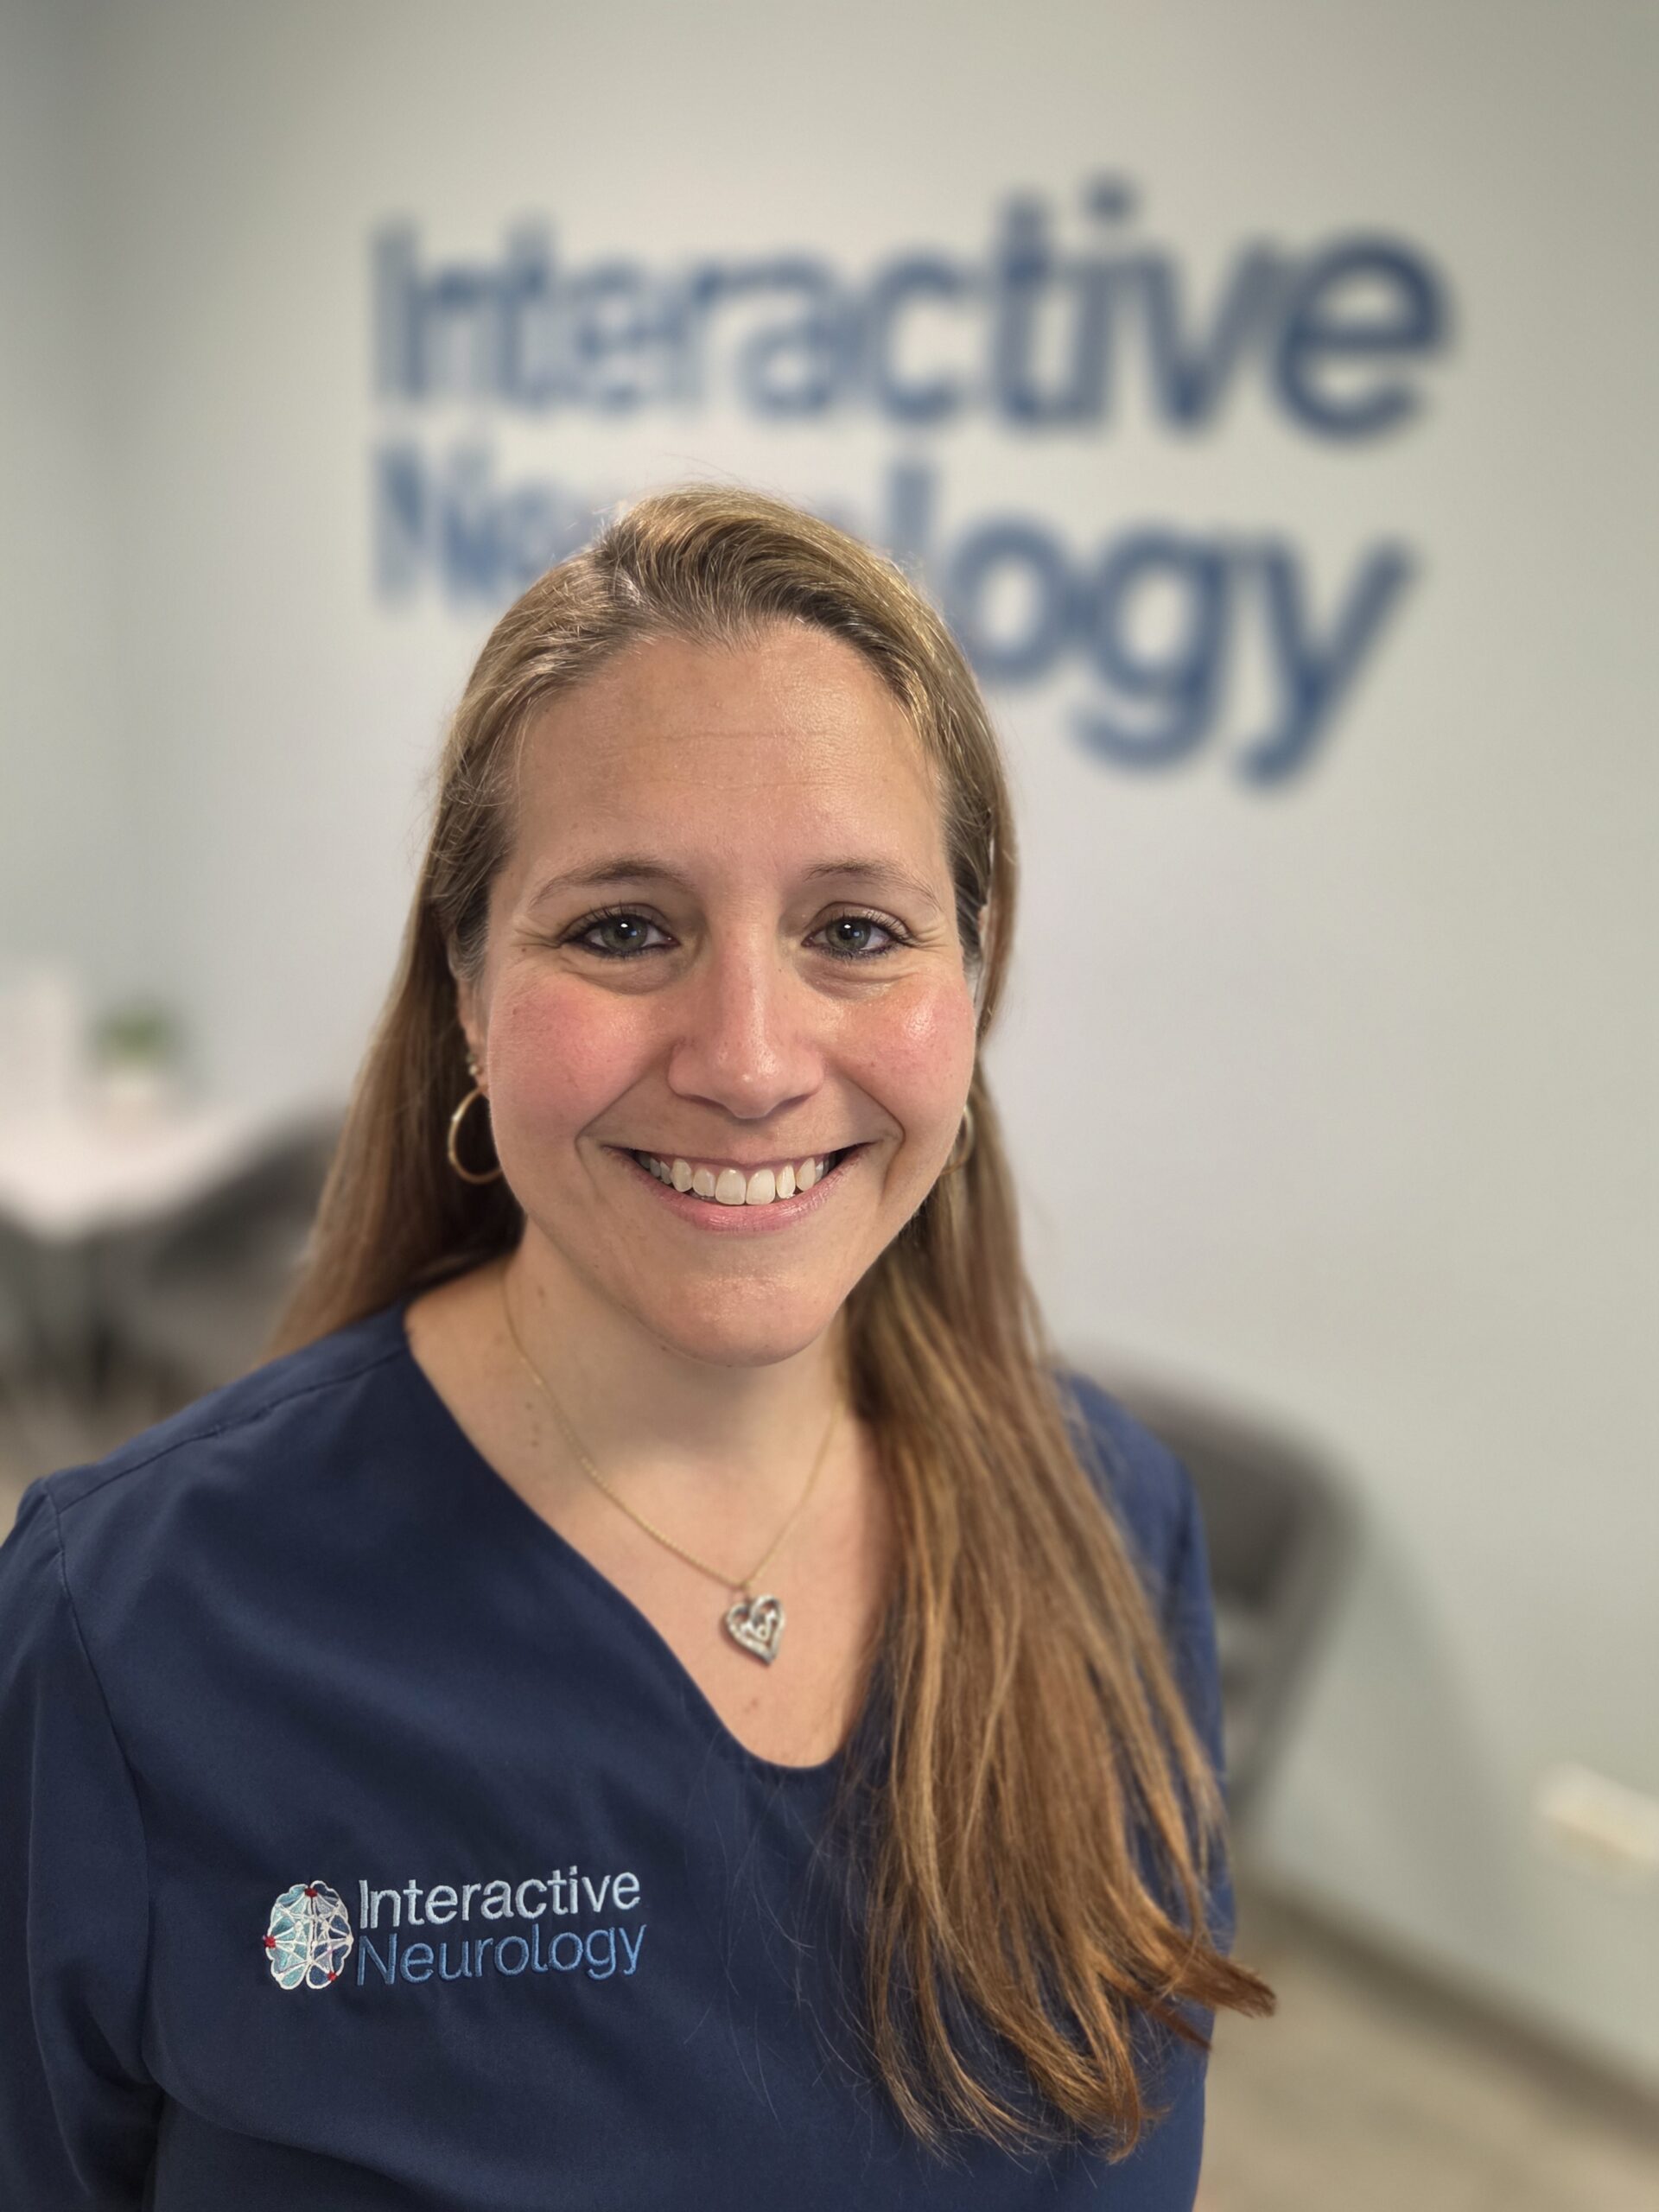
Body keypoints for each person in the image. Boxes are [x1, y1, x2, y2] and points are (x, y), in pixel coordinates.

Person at [0, 486, 1272, 2209]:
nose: (747, 1062)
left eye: (855, 930)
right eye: (622, 927)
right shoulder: (127, 1625)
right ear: (467, 987)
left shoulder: (1113, 1525)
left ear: (970, 990)